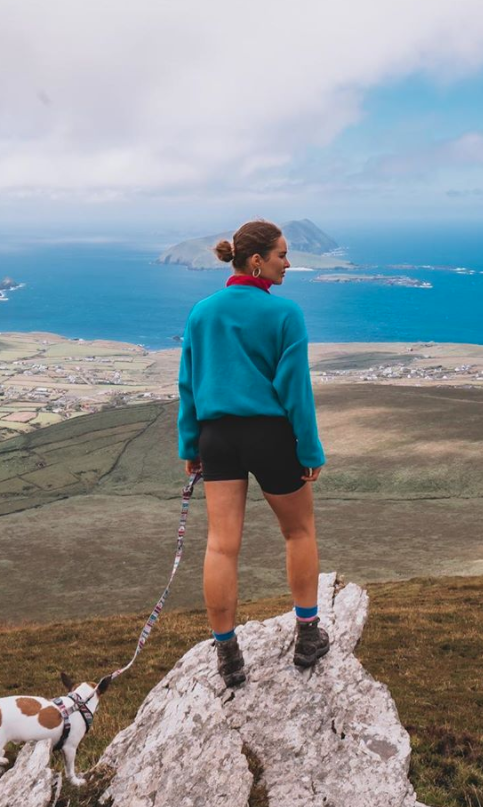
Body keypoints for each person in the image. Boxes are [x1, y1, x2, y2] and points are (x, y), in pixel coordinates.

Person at [177, 219, 328, 688]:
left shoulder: (201, 312)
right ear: (257, 260)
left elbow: (188, 385)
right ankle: (307, 636)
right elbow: (295, 390)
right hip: (270, 435)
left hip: (216, 436)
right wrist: (309, 448)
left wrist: (189, 444)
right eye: (282, 254)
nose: (289, 263)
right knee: (299, 532)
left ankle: (228, 655)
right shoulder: (285, 315)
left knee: (222, 544)